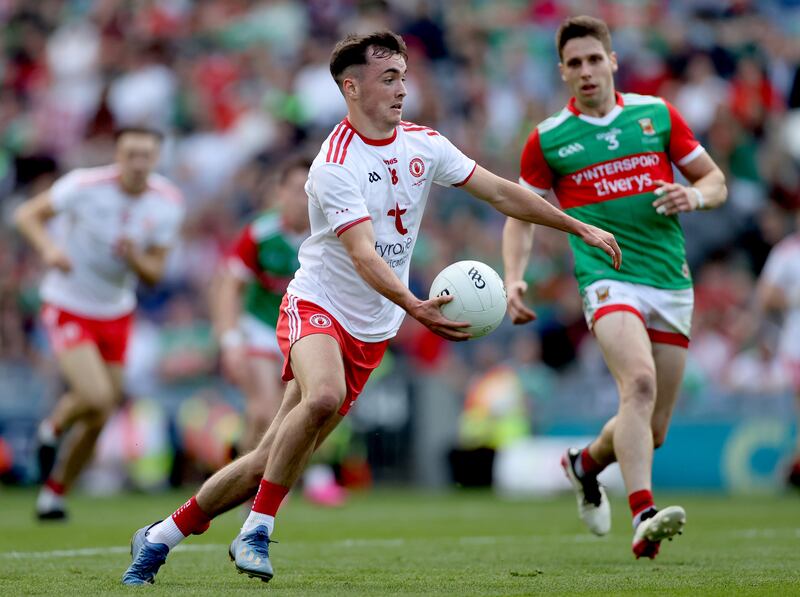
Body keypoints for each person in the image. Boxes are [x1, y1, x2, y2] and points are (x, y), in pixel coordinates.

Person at [121, 30, 621, 586]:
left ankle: (162, 534)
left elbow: (502, 192)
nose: (402, 88)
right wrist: (416, 307)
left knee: (269, 457)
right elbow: (361, 255)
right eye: (389, 78)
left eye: (404, 76)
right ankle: (256, 530)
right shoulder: (333, 164)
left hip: (373, 326)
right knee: (324, 394)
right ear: (351, 87)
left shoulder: (425, 144)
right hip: (318, 304)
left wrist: (577, 224)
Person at [502, 15, 727, 559]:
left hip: (669, 281)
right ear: (562, 72)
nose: (585, 71)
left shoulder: (656, 115)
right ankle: (644, 514)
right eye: (574, 63)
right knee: (639, 385)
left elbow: (714, 181)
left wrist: (692, 197)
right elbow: (519, 213)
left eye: (593, 59)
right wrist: (513, 278)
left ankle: (584, 464)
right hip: (607, 278)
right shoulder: (549, 138)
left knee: (653, 429)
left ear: (613, 61)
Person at [14, 127, 185, 520]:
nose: (138, 163)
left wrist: (134, 258)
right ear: (117, 156)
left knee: (102, 412)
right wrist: (49, 249)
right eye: (131, 154)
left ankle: (54, 493)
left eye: (146, 155)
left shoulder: (168, 203)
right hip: (69, 302)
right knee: (96, 396)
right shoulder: (84, 185)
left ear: (156, 159)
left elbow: (155, 273)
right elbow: (27, 215)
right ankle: (52, 428)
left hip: (116, 311)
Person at [212, 156, 345, 506]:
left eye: (307, 191)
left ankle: (255, 486)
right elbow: (229, 287)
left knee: (296, 409)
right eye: (293, 190)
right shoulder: (260, 233)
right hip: (260, 329)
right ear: (279, 192)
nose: (300, 199)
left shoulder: (329, 233)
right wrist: (230, 341)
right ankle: (251, 493)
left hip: (304, 330)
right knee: (264, 410)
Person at [756, 208, 800, 489]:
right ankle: (793, 466)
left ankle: (793, 465)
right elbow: (766, 296)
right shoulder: (787, 253)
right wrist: (794, 298)